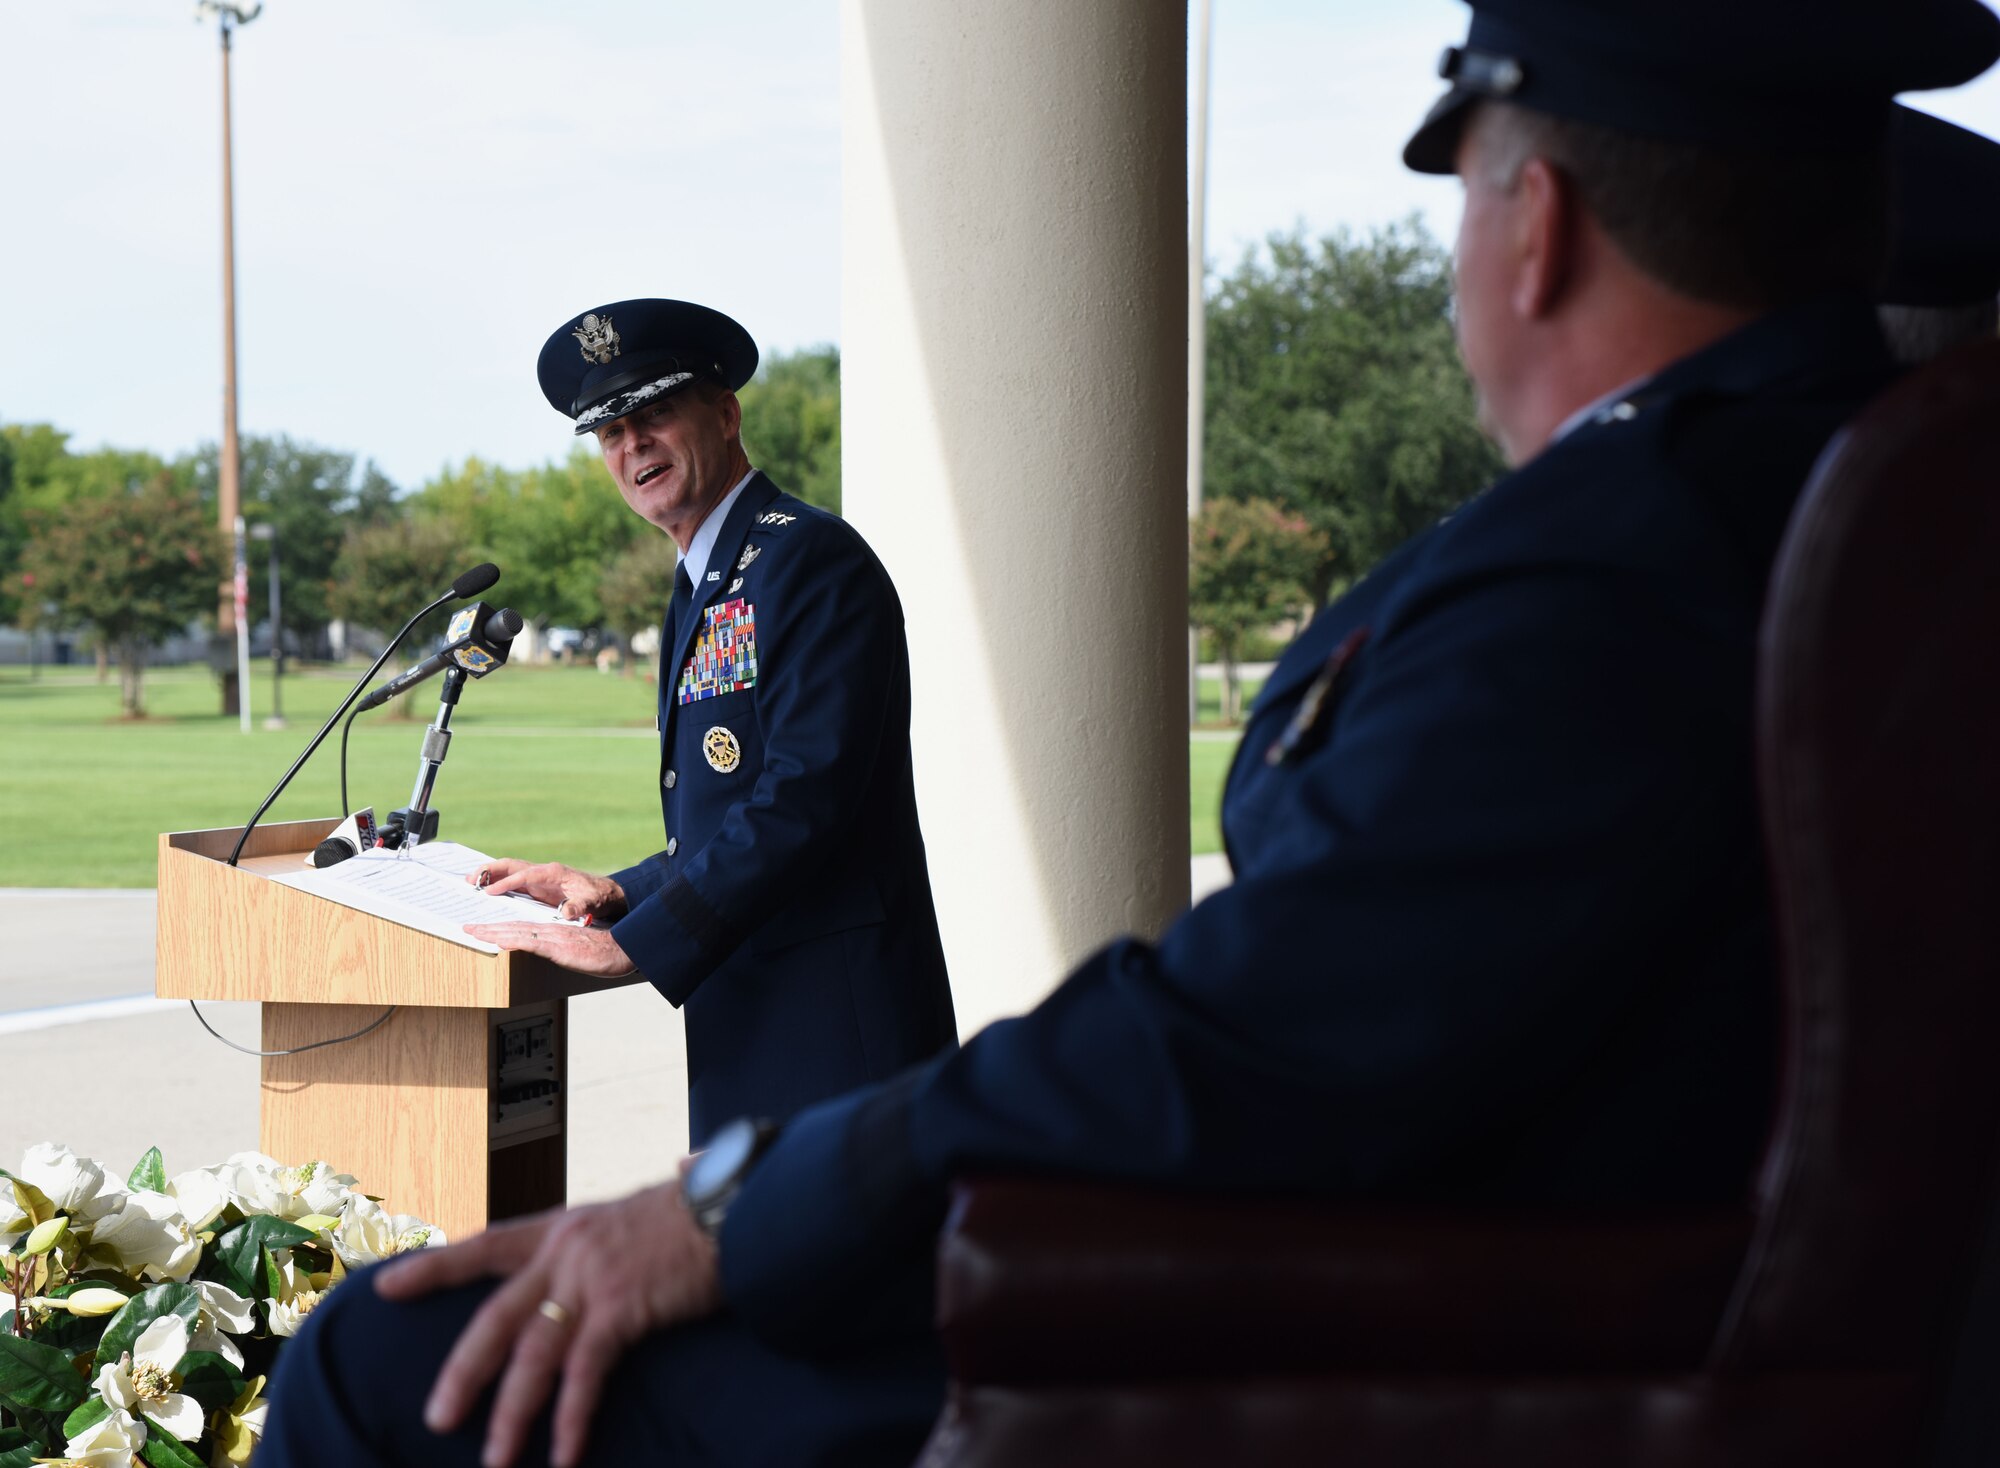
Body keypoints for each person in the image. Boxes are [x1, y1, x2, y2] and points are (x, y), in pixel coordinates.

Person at [258, 3, 2000, 1465]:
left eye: (1460, 197)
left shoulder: (1620, 570)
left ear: (1532, 223)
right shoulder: (1857, 502)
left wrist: (732, 1205)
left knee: (376, 1366)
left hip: (1331, 1335)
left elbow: (1255, 1032)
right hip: (1520, 1281)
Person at [462, 299, 957, 1145]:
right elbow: (729, 818)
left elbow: (803, 798)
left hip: (836, 1031)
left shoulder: (808, 559)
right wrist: (619, 893)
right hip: (756, 1019)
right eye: (610, 433)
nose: (632, 446)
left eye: (654, 414)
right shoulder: (705, 579)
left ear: (725, 415)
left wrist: (640, 944)